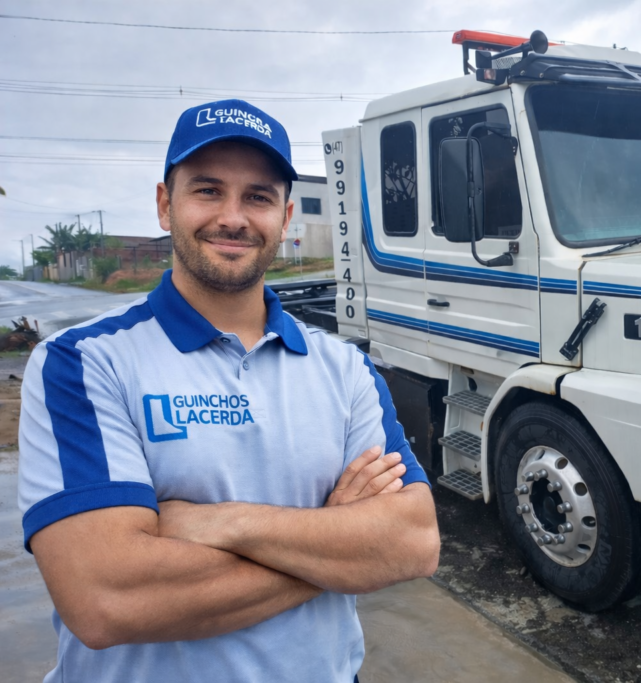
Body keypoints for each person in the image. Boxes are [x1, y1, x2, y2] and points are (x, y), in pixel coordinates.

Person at [18, 99, 440, 683]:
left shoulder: (345, 369)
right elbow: (107, 598)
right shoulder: (84, 362)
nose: (234, 217)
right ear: (165, 205)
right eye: (208, 190)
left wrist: (223, 522)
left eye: (258, 197)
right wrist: (335, 546)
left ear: (285, 218)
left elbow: (412, 542)